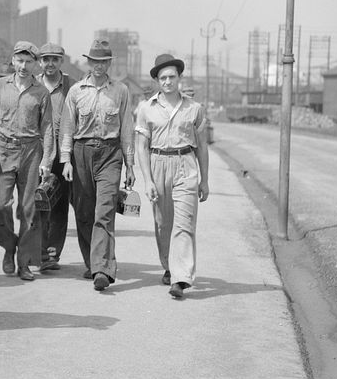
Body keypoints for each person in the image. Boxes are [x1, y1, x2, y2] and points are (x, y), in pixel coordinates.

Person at [60, 39, 135, 291]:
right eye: (95, 61)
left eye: (103, 62)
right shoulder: (76, 91)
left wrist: (130, 164)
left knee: (104, 212)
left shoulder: (121, 91)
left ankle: (102, 269)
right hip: (81, 153)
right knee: (83, 212)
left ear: (109, 63)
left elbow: (126, 130)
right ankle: (91, 261)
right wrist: (65, 160)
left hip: (110, 154)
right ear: (88, 62)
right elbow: (68, 128)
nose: (99, 66)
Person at [134, 54, 210, 300]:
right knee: (163, 223)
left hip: (185, 165)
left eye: (172, 77)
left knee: (184, 224)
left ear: (179, 78)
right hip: (158, 165)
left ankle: (181, 277)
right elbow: (141, 147)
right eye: (163, 78)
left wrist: (204, 179)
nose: (167, 82)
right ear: (157, 81)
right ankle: (169, 265)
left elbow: (202, 147)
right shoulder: (146, 109)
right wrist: (147, 180)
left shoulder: (194, 109)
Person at [0, 40, 55, 281]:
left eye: (28, 61)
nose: (23, 66)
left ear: (35, 64)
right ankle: (8, 246)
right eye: (20, 60)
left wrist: (47, 160)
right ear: (13, 60)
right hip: (2, 150)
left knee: (29, 211)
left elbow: (47, 128)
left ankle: (24, 262)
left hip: (30, 152)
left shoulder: (41, 93)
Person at [36, 42, 76, 273]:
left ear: (62, 61)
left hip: (63, 153)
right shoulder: (34, 84)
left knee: (59, 203)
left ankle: (51, 252)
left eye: (55, 59)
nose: (50, 63)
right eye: (46, 59)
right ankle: (39, 249)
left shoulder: (72, 86)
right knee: (38, 201)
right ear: (40, 62)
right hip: (38, 151)